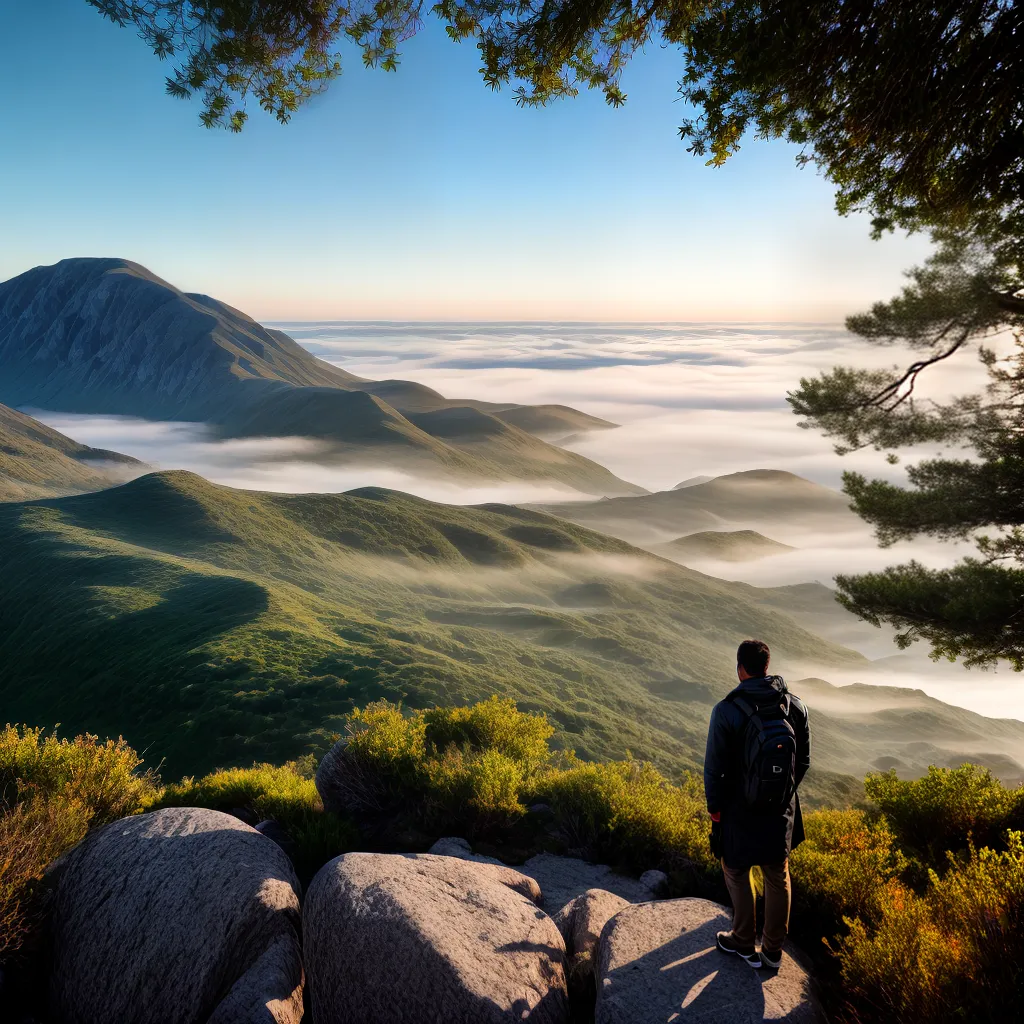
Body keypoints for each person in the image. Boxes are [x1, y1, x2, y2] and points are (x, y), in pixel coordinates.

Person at [704, 639, 810, 970]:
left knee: (736, 870)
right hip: (780, 809)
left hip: (739, 809)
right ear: (767, 666)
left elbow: (714, 767)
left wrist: (715, 807)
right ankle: (773, 951)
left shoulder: (726, 710)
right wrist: (780, 794)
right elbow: (802, 761)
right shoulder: (795, 706)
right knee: (777, 874)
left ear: (740, 669)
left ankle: (743, 941)